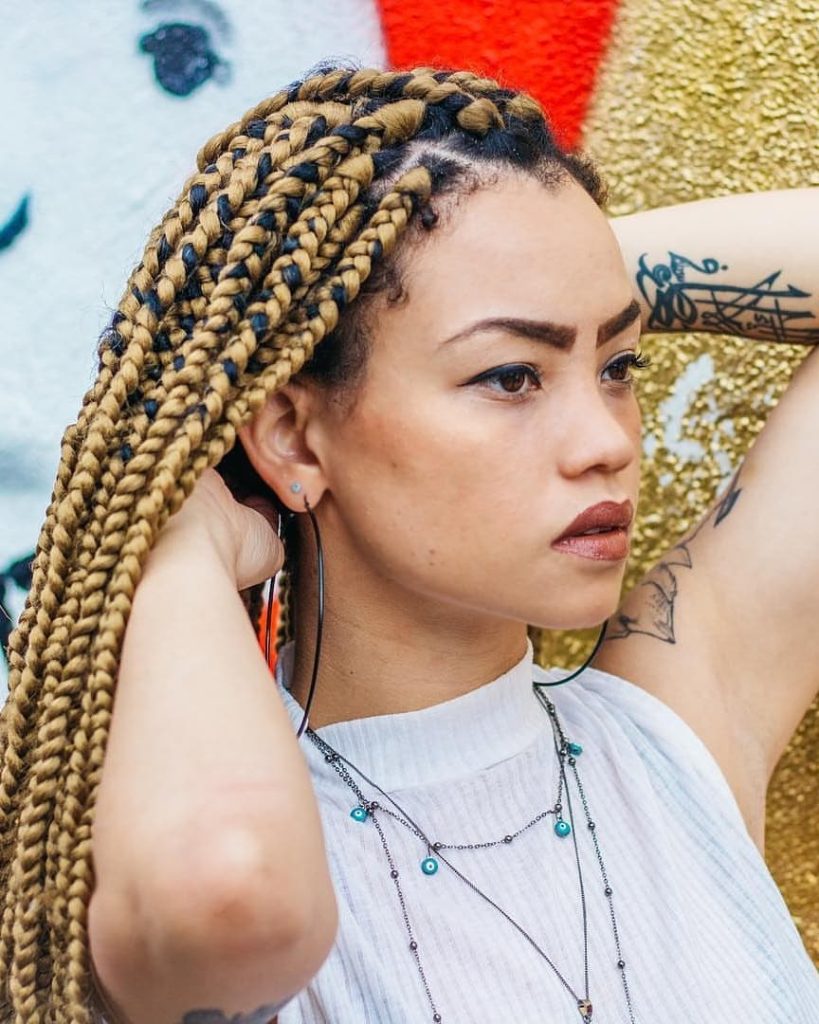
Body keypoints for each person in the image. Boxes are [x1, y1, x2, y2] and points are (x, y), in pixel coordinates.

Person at [0, 61, 817, 1024]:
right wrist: (176, 544)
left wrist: (558, 266)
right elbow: (233, 892)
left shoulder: (674, 737)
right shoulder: (153, 845)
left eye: (617, 364)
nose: (607, 442)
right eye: (511, 376)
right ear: (293, 437)